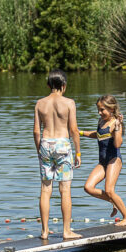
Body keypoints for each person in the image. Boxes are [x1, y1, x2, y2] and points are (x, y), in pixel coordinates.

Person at [34, 70, 81, 240]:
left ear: (48, 85)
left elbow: (36, 131)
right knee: (65, 189)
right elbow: (74, 130)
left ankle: (45, 231)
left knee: (46, 189)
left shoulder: (40, 103)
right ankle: (67, 231)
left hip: (45, 143)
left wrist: (39, 150)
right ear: (64, 86)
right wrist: (78, 152)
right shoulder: (69, 103)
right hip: (62, 144)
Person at [80, 95, 126, 226]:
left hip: (114, 160)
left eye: (102, 109)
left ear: (111, 109)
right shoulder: (101, 121)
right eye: (98, 109)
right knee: (88, 187)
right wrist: (79, 132)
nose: (99, 112)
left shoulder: (116, 123)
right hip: (103, 162)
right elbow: (98, 134)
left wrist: (117, 128)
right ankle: (112, 201)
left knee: (109, 190)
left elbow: (117, 144)